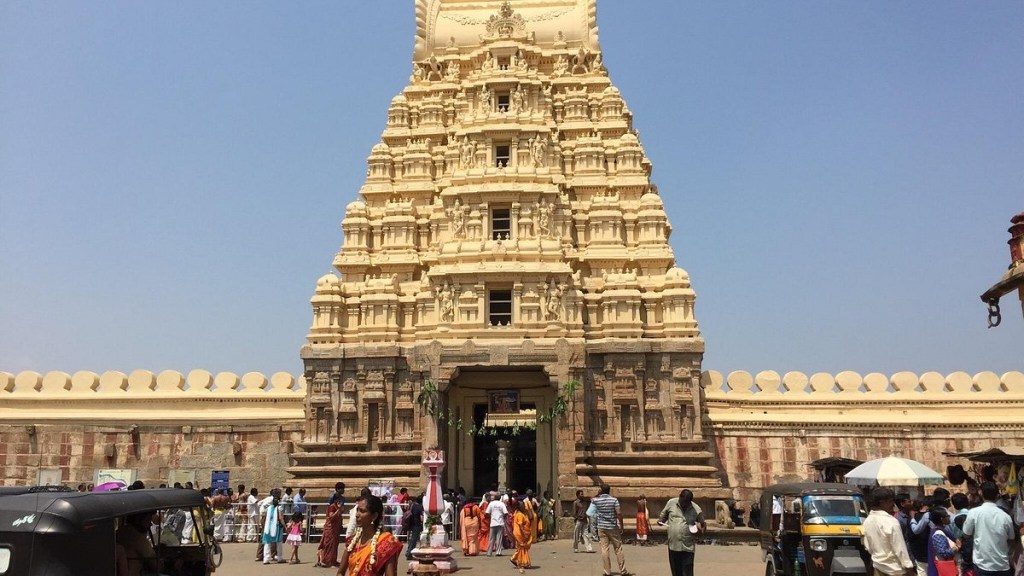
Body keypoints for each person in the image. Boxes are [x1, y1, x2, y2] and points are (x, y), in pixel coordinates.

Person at [338, 494, 403, 576]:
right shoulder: (351, 542)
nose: (357, 514)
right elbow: (340, 572)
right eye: (357, 510)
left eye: (362, 511)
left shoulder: (387, 543)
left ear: (374, 516)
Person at [963, 481, 1015, 576]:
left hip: (982, 565)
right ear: (997, 495)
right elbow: (1011, 539)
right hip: (1002, 565)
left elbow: (966, 534)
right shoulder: (1005, 516)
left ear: (980, 493)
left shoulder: (973, 513)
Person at [862, 487, 916, 576]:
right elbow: (900, 548)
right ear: (882, 502)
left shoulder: (867, 521)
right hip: (896, 570)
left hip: (878, 568)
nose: (893, 505)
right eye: (890, 501)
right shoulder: (891, 521)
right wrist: (910, 569)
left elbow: (868, 546)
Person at [658, 488, 705, 576]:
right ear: (679, 497)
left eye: (685, 503)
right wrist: (661, 521)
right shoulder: (671, 503)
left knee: (687, 572)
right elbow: (663, 516)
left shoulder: (696, 509)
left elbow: (703, 525)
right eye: (682, 502)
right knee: (676, 572)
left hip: (687, 547)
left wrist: (699, 531)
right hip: (673, 545)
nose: (683, 505)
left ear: (690, 502)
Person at [593, 484, 633, 576]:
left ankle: (607, 572)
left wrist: (598, 494)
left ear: (601, 491)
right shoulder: (614, 500)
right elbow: (619, 513)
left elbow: (592, 499)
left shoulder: (597, 500)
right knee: (618, 548)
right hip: (612, 527)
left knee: (604, 549)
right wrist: (622, 526)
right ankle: (623, 571)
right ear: (609, 490)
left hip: (601, 527)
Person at [116, 511, 161, 576]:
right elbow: (157, 566)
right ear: (138, 519)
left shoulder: (120, 531)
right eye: (148, 520)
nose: (150, 524)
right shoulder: (137, 538)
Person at [928, 507, 958, 576]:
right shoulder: (938, 534)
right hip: (946, 568)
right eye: (947, 516)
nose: (949, 517)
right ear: (942, 519)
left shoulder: (943, 530)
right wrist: (956, 548)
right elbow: (943, 552)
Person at [317, 493, 346, 567]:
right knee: (329, 545)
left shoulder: (338, 507)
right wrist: (339, 509)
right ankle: (326, 561)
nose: (340, 501)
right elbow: (331, 517)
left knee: (335, 545)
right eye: (338, 500)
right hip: (331, 529)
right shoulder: (332, 507)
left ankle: (333, 561)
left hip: (336, 529)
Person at [262, 489, 286, 564]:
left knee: (267, 542)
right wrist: (285, 526)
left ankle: (266, 558)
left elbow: (264, 516)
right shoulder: (279, 508)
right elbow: (280, 518)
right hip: (277, 526)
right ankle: (279, 557)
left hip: (268, 526)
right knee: (279, 542)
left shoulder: (268, 508)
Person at [510, 498, 533, 573]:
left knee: (521, 547)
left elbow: (531, 517)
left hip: (520, 532)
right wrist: (525, 533)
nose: (524, 507)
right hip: (519, 533)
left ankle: (516, 559)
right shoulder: (519, 514)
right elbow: (520, 525)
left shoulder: (522, 513)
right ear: (519, 507)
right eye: (523, 506)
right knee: (523, 546)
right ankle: (522, 562)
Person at [486, 492, 509, 557]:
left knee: (491, 538)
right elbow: (506, 513)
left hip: (493, 523)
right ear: (499, 498)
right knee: (499, 538)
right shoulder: (502, 504)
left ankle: (489, 552)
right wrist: (502, 517)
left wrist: (491, 516)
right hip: (500, 522)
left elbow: (487, 513)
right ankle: (498, 552)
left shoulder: (491, 503)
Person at [405, 496, 424, 560]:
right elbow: (421, 518)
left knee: (411, 539)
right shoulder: (419, 507)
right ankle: (409, 553)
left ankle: (408, 551)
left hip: (411, 523)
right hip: (417, 524)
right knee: (414, 539)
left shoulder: (412, 505)